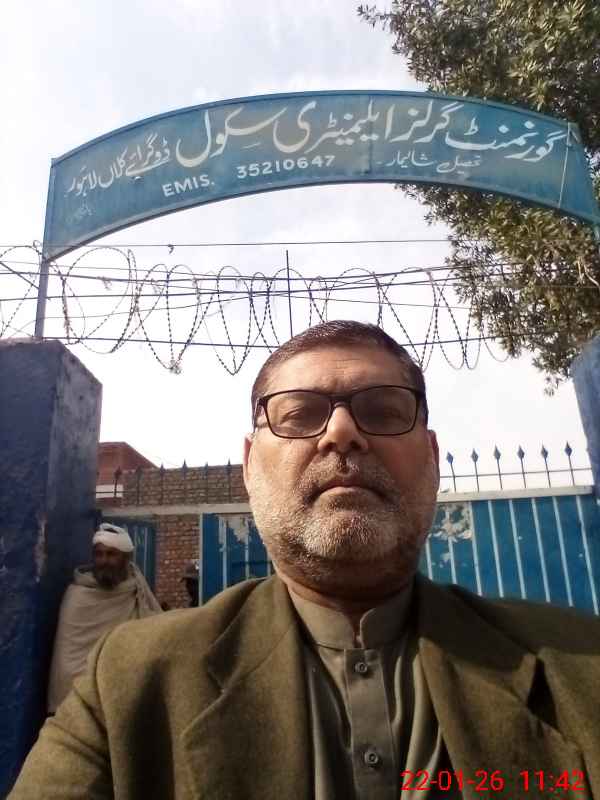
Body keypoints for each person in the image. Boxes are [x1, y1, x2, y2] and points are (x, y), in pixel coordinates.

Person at [10, 321, 600, 799]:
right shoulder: (129, 683)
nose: (341, 432)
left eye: (384, 410)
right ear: (248, 465)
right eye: (298, 414)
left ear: (431, 454)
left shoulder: (582, 665)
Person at [46, 522, 162, 713]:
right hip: (77, 698)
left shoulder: (135, 590)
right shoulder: (77, 597)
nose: (104, 561)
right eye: (99, 554)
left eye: (111, 554)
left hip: (122, 694)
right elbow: (67, 664)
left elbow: (151, 635)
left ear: (126, 558)